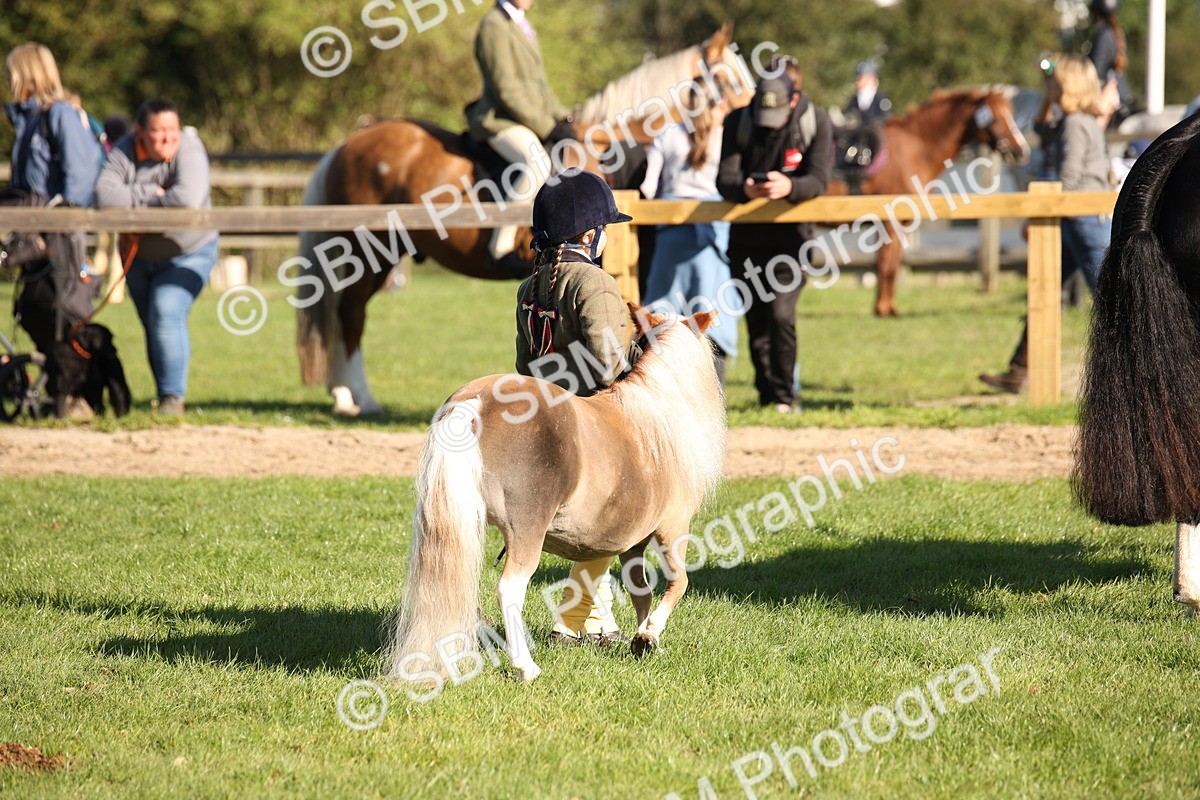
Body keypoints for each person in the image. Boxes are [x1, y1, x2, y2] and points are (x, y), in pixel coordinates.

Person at [516, 168, 636, 647]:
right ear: (589, 235)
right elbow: (609, 363)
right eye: (604, 228)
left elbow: (524, 367)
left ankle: (595, 620)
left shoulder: (529, 287)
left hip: (541, 413)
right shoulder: (594, 282)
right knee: (616, 510)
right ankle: (574, 620)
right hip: (589, 416)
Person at [980, 54, 1112, 393]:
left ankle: (1139, 371)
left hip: (1081, 219)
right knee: (1044, 288)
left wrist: (1037, 215)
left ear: (1069, 85)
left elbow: (1068, 178)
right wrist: (1047, 98)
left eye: (1055, 82)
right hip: (1075, 220)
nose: (1049, 86)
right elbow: (1040, 129)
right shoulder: (1076, 120)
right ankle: (1020, 369)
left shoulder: (1074, 124)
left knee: (1110, 300)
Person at [716, 56, 832, 413]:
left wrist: (790, 187)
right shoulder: (739, 121)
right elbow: (725, 179)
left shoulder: (816, 121)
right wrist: (745, 189)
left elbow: (819, 180)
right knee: (757, 321)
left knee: (781, 315)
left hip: (792, 243)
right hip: (746, 241)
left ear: (794, 99)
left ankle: (784, 396)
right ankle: (767, 396)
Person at [95, 99, 218, 417]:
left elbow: (187, 199)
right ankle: (164, 395)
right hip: (137, 257)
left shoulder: (190, 148)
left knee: (166, 311)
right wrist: (152, 193)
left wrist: (132, 197)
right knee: (153, 323)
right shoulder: (124, 150)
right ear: (140, 131)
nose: (167, 138)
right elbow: (105, 196)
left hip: (188, 253)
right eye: (158, 130)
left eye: (172, 129)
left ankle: (172, 398)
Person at [4, 43, 103, 356]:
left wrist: (61, 216)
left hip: (56, 233)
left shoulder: (58, 114)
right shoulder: (28, 120)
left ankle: (73, 377)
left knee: (60, 309)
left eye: (11, 72)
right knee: (34, 307)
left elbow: (82, 170)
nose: (8, 79)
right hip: (32, 227)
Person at [640, 86, 740, 387]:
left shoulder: (667, 134)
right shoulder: (727, 137)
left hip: (670, 236)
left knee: (662, 312)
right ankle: (714, 389)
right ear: (722, 103)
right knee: (712, 313)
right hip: (710, 237)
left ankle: (660, 386)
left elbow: (647, 188)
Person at [467, 0, 575, 273]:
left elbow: (540, 87)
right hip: (499, 119)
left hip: (525, 119)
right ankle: (500, 247)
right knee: (537, 162)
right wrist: (547, 127)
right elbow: (506, 90)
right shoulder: (494, 25)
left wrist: (564, 117)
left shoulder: (521, 23)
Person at [1086, 0, 1135, 129]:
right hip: (1122, 95)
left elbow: (1096, 71)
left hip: (1111, 98)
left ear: (1095, 13)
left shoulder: (1103, 35)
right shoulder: (1112, 32)